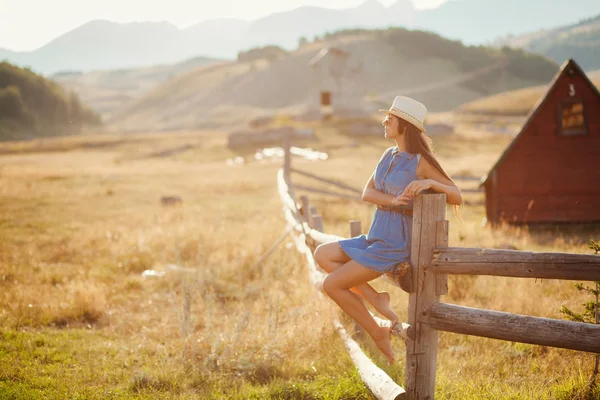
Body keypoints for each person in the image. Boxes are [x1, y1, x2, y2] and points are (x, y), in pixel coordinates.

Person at [313, 96, 463, 365]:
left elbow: (457, 195)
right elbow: (367, 192)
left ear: (404, 125)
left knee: (331, 284)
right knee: (323, 254)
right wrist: (394, 201)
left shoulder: (421, 161)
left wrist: (429, 182)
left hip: (396, 243)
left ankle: (377, 332)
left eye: (390, 118)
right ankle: (376, 298)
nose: (384, 121)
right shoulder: (387, 155)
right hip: (377, 235)